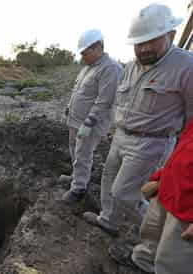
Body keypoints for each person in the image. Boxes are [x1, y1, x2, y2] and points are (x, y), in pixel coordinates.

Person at [83, 3, 193, 236]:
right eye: (138, 43)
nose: (143, 48)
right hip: (121, 135)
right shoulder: (132, 67)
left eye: (151, 40)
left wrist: (181, 156)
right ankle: (108, 221)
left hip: (151, 143)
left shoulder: (186, 67)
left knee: (125, 193)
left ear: (170, 35)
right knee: (108, 180)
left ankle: (156, 237)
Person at [109, 118, 193, 274]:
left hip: (187, 210)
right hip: (168, 189)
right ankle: (141, 264)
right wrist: (160, 178)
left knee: (173, 260)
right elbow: (182, 151)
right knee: (151, 236)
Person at [60, 29, 123, 203]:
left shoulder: (110, 69)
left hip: (90, 124)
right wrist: (68, 107)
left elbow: (104, 101)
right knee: (75, 149)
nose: (82, 57)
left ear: (97, 47)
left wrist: (88, 123)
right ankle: (76, 176)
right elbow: (78, 91)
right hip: (76, 120)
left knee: (83, 153)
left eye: (85, 53)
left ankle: (78, 188)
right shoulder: (88, 68)